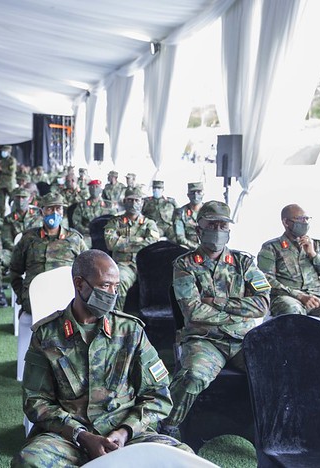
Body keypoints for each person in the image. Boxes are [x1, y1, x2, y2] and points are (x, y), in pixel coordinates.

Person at [13, 250, 189, 467]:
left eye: (116, 286)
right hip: (69, 439)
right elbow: (35, 401)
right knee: (28, 461)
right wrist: (80, 435)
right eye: (105, 286)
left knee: (182, 457)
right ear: (79, 284)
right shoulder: (47, 334)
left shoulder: (130, 331)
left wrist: (125, 431)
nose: (113, 294)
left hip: (126, 435)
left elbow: (159, 394)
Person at [160, 201, 270, 436]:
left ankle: (269, 429)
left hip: (242, 340)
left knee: (271, 369)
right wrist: (238, 313)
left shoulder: (244, 263)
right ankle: (168, 426)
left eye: (223, 225)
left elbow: (262, 304)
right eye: (212, 225)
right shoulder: (184, 264)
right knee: (193, 376)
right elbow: (193, 312)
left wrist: (217, 303)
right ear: (199, 229)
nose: (218, 230)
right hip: (205, 340)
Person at [257, 204, 320, 327]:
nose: (304, 223)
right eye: (300, 219)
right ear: (286, 222)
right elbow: (266, 280)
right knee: (293, 311)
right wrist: (299, 296)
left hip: (317, 298)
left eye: (306, 219)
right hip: (286, 297)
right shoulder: (271, 247)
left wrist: (313, 255)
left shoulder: (318, 246)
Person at [10, 192, 87, 316]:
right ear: (41, 212)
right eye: (49, 209)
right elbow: (15, 270)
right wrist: (22, 295)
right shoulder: (28, 239)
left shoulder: (75, 239)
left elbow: (87, 270)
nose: (54, 213)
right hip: (35, 297)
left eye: (58, 208)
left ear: (63, 212)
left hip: (66, 295)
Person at [103, 187, 160, 310]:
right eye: (130, 200)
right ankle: (116, 315)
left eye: (137, 200)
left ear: (142, 202)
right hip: (125, 265)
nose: (133, 204)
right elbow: (111, 243)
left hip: (147, 265)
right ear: (124, 201)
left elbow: (152, 245)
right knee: (120, 281)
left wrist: (123, 241)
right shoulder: (115, 222)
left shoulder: (149, 223)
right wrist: (139, 240)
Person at [171, 182, 204, 250]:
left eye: (199, 192)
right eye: (192, 193)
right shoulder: (180, 213)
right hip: (188, 248)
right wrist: (197, 247)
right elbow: (180, 238)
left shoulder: (209, 212)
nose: (195, 195)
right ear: (188, 195)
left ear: (203, 194)